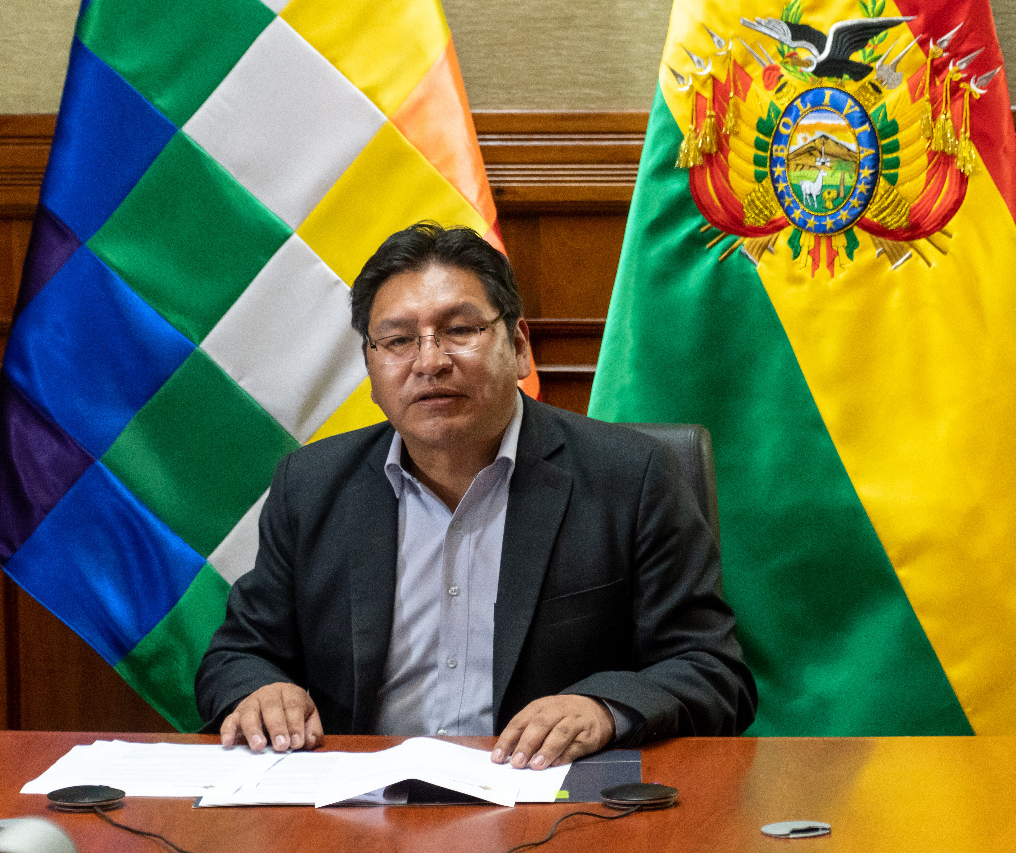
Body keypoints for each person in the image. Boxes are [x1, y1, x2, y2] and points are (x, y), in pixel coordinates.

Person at [195, 222, 755, 770]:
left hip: (546, 796)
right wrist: (260, 689)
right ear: (370, 367)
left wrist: (604, 710)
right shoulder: (311, 485)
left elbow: (711, 669)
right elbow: (239, 654)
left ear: (519, 346)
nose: (430, 361)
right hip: (357, 800)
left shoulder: (631, 477)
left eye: (460, 330)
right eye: (398, 340)